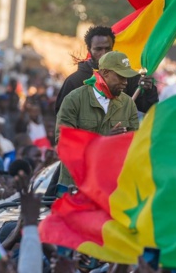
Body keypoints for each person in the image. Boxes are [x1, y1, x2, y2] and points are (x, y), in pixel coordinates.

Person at [55, 51, 140, 187]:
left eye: (127, 77)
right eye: (120, 77)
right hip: (75, 186)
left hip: (109, 188)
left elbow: (136, 146)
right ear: (105, 73)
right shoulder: (74, 99)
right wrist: (102, 141)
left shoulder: (128, 103)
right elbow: (63, 144)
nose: (125, 82)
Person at [55, 26, 158, 114]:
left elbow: (148, 108)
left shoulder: (127, 77)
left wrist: (148, 90)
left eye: (107, 49)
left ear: (112, 48)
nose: (104, 54)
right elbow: (64, 123)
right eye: (98, 49)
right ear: (89, 49)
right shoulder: (74, 81)